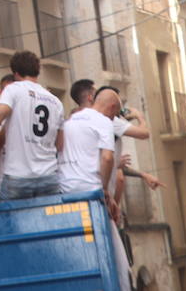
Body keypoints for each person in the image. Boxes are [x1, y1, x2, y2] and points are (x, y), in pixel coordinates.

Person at [58, 85, 130, 291]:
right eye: (115, 114)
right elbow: (107, 157)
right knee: (115, 255)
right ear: (112, 108)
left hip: (67, 190)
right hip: (90, 191)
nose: (113, 118)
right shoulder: (103, 122)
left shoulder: (71, 121)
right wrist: (104, 189)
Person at [0, 51, 65, 199]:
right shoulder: (56, 101)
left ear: (15, 73)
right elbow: (60, 145)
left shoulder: (14, 89)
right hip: (49, 175)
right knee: (49, 221)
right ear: (37, 71)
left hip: (18, 176)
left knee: (11, 220)